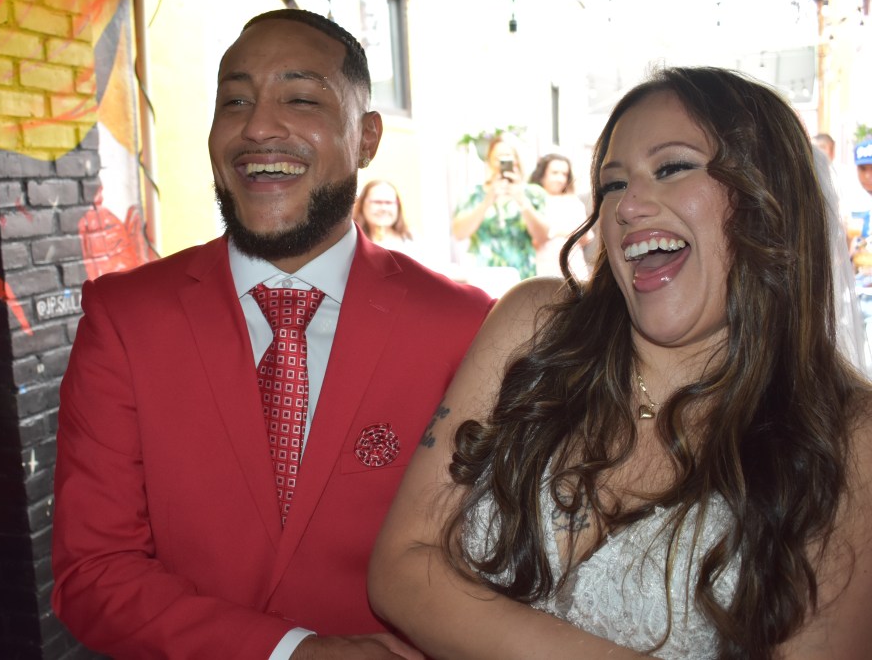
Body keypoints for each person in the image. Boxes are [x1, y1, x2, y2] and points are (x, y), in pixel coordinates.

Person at [368, 66, 872, 659]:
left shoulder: (849, 434)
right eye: (611, 185)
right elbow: (400, 567)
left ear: (769, 198)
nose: (628, 206)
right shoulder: (534, 326)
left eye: (672, 167)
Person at [51, 8, 493, 659]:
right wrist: (296, 653)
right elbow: (92, 573)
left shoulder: (464, 326)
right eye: (234, 101)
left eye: (300, 98)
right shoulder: (126, 318)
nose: (257, 127)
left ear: (367, 138)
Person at [451, 135, 539, 280]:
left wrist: (522, 200)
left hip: (522, 272)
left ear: (516, 160)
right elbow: (459, 233)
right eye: (498, 157)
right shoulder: (473, 194)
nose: (503, 161)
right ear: (489, 161)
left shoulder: (533, 193)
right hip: (483, 272)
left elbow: (543, 236)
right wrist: (487, 200)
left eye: (508, 156)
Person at [526, 152, 593, 279]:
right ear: (542, 174)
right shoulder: (532, 201)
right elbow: (534, 238)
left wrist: (553, 232)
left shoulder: (574, 202)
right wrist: (564, 232)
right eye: (555, 173)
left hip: (574, 270)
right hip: (539, 270)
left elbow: (585, 237)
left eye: (564, 174)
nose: (560, 179)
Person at [353, 179, 418, 256]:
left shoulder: (413, 241)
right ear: (362, 205)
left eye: (389, 202)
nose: (384, 208)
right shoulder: (351, 241)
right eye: (377, 202)